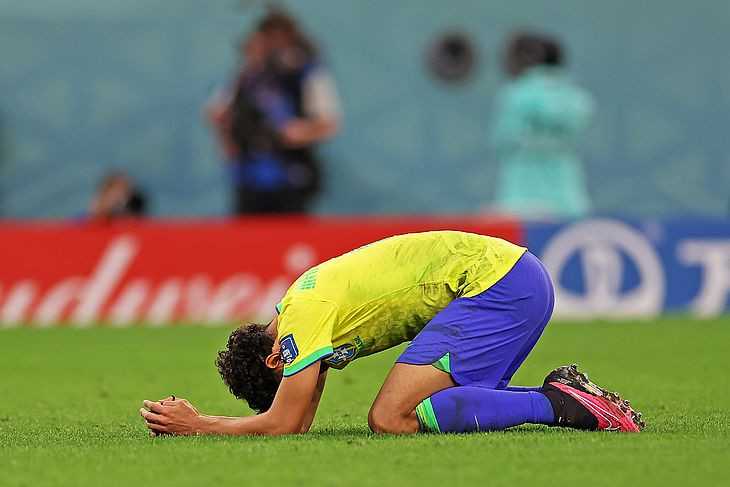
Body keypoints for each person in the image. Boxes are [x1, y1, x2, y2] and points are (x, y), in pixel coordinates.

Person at [140, 231, 644, 435]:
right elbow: (298, 414)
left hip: (496, 285)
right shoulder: (300, 301)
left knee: (391, 416)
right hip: (513, 275)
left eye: (299, 375)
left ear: (277, 360)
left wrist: (201, 423)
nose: (313, 383)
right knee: (458, 405)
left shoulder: (302, 319)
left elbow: (288, 421)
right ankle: (572, 398)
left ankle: (558, 404)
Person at [205, 10, 341, 215]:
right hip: (249, 175)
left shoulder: (306, 73)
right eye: (269, 39)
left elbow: (330, 122)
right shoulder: (247, 74)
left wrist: (301, 132)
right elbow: (216, 112)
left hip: (291, 174)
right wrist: (227, 140)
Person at [491, 32, 595, 218]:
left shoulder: (516, 94)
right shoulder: (579, 99)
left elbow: (501, 142)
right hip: (568, 197)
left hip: (520, 196)